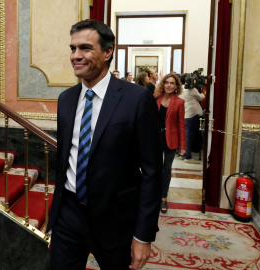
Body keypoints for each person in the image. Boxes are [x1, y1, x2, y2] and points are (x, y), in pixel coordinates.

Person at [47, 19, 162, 270]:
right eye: (73, 48)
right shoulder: (66, 100)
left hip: (115, 219)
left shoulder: (137, 99)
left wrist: (143, 235)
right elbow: (66, 158)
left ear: (107, 51)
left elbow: (153, 171)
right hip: (68, 214)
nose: (76, 56)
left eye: (85, 48)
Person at [154, 73, 186, 214]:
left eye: (172, 83)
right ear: (163, 84)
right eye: (167, 82)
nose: (169, 85)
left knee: (166, 169)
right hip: (155, 138)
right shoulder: (155, 99)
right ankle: (153, 195)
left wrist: (183, 145)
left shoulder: (179, 102)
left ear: (176, 86)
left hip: (170, 139)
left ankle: (163, 198)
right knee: (154, 168)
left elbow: (181, 124)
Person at [179, 75, 205, 164]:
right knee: (189, 136)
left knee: (184, 135)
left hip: (184, 114)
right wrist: (203, 92)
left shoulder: (181, 88)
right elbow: (201, 97)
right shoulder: (192, 89)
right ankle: (187, 155)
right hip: (191, 115)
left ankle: (182, 154)